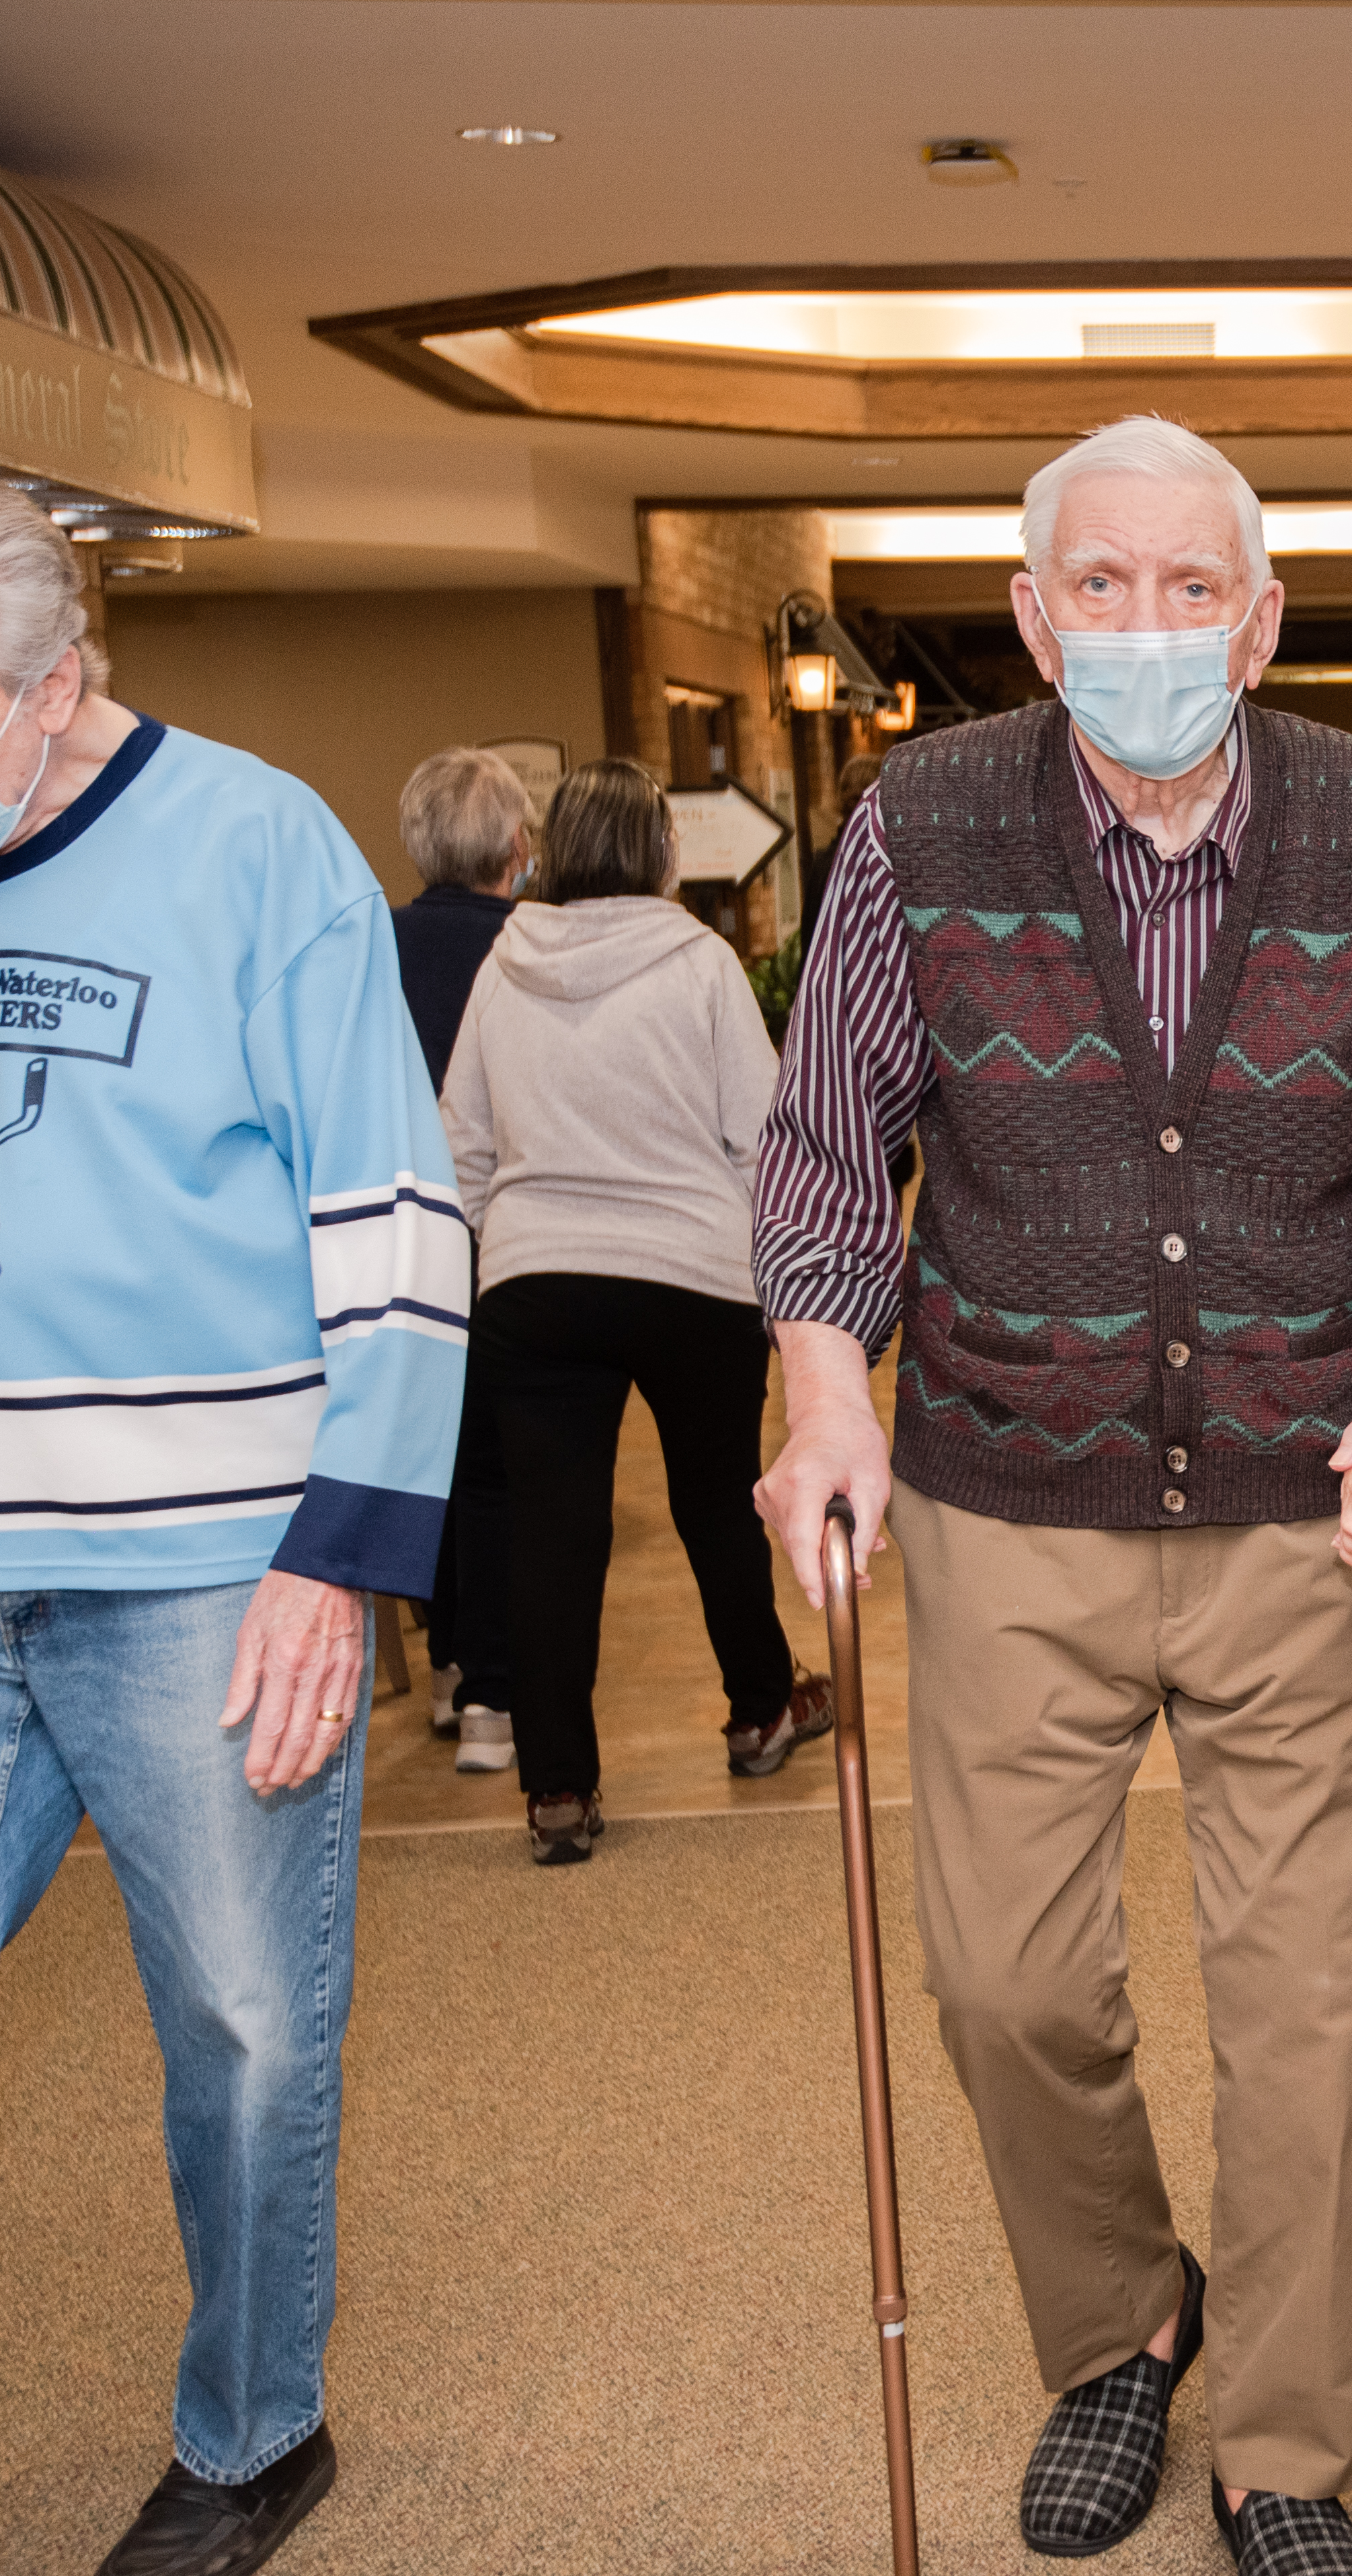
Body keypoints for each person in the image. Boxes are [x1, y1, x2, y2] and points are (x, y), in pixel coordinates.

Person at [752, 416, 1352, 2576]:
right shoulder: (922, 820)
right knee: (1007, 1986)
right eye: (1105, 588)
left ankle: (1281, 2442)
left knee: (1304, 2017)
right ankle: (1122, 2328)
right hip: (1005, 1498)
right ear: (1033, 613)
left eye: (1196, 593)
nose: (1150, 630)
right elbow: (828, 1152)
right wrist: (825, 1393)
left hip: (1308, 1514)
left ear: (1261, 622)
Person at [0, 461, 467, 2576]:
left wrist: (340, 1551)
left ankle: (251, 2431)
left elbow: (389, 1214)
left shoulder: (256, 847)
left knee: (246, 2028)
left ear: (60, 678)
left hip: (206, 1557)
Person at [443, 759, 826, 1865]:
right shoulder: (699, 963)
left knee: (553, 1536)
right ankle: (760, 1711)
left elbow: (460, 1142)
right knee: (716, 1505)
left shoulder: (504, 966)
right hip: (691, 1278)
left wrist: (494, 1251)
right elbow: (764, 1137)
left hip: (536, 1281)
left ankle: (558, 1790)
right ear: (658, 851)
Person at [393, 746, 532, 1774]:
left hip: (390, 1242)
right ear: (515, 846)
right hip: (498, 1235)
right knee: (494, 1467)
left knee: (424, 1453)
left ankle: (445, 1665)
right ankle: (490, 1690)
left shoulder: (370, 948)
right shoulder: (535, 950)